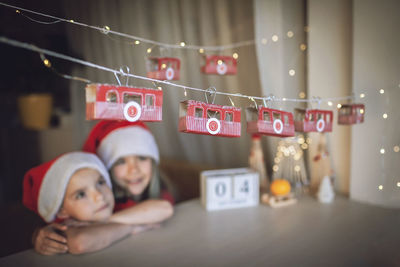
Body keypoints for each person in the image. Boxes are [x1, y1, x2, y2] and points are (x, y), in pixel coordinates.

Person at [25, 152, 164, 255]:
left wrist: (105, 223)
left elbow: (164, 208)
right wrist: (134, 226)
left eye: (100, 182)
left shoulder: (112, 208)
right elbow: (80, 243)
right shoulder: (65, 227)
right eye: (81, 194)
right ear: (61, 210)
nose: (99, 196)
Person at [82, 120, 175, 224]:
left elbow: (165, 208)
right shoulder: (98, 206)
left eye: (142, 158)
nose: (134, 170)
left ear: (152, 162)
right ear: (108, 170)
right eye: (121, 162)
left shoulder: (162, 192)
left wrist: (104, 222)